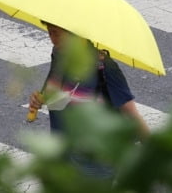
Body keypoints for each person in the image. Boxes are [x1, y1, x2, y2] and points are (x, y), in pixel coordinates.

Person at [28, 21, 150, 178]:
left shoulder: (104, 66)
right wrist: (39, 100)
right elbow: (54, 94)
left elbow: (131, 113)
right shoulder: (59, 55)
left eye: (56, 33)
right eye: (50, 32)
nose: (52, 39)